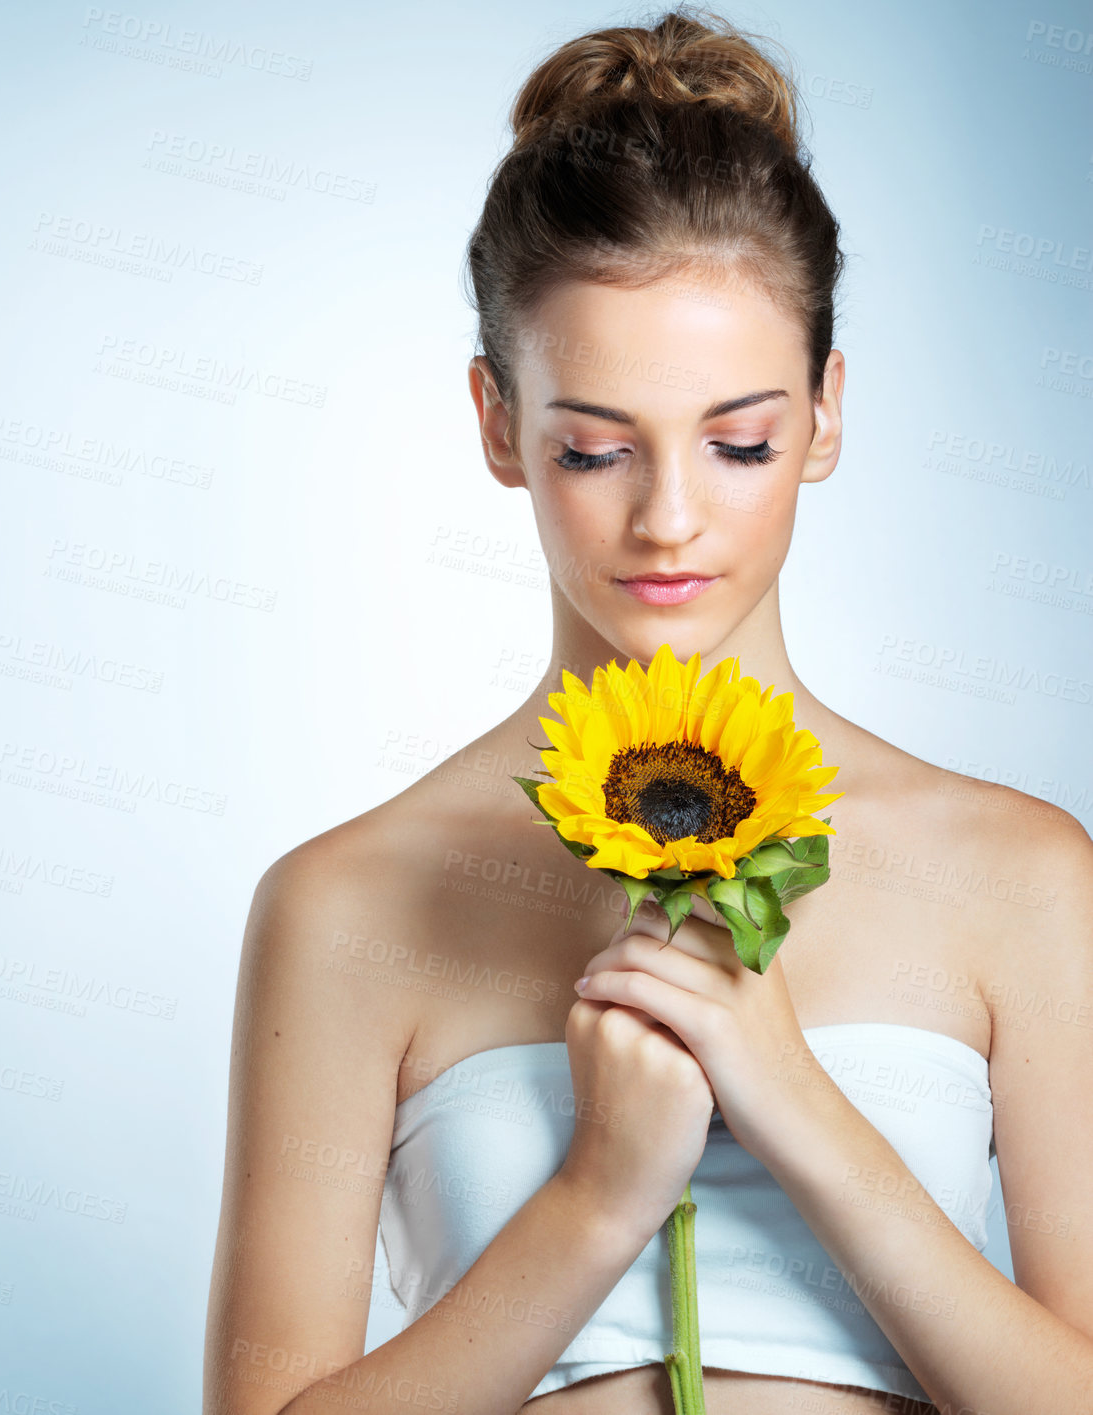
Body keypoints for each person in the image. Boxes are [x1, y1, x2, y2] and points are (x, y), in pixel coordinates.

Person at [202, 7, 1093, 1413]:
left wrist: (794, 1104)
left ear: (826, 415)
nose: (669, 519)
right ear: (500, 426)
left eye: (739, 443)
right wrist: (600, 1194)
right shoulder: (349, 904)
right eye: (596, 448)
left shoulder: (1023, 877)